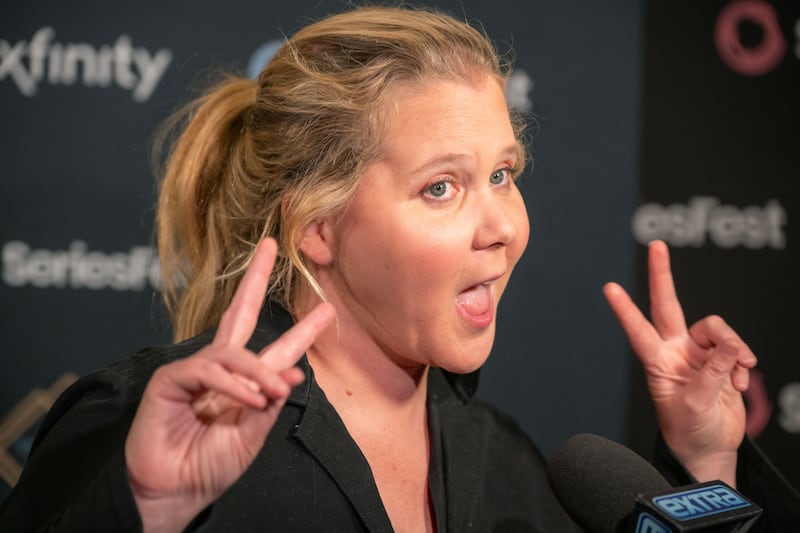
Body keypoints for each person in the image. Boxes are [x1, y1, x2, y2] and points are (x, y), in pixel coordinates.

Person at [1, 5, 798, 532]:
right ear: (317, 227)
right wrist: (145, 508)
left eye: (504, 174)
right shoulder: (151, 427)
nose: (503, 229)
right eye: (441, 186)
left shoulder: (513, 466)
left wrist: (705, 464)